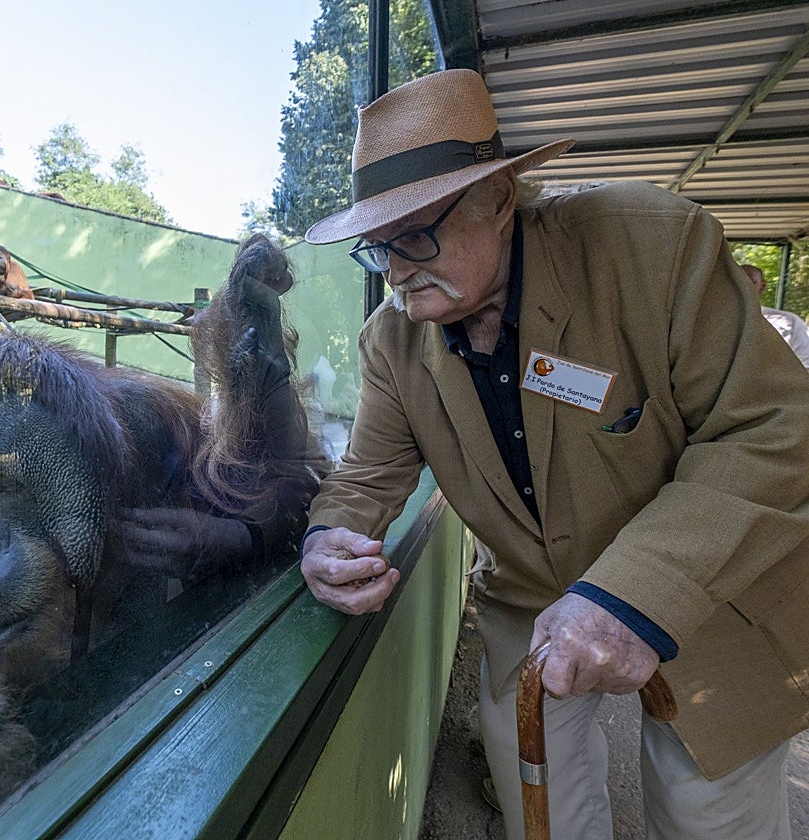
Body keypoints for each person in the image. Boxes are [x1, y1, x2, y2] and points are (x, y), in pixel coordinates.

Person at [299, 69, 809, 840]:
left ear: (500, 199)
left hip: (706, 595)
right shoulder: (391, 343)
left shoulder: (652, 248)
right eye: (378, 250)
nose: (398, 272)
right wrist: (325, 537)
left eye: (416, 235)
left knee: (709, 812)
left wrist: (636, 594)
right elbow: (369, 475)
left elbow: (773, 427)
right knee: (539, 803)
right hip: (529, 602)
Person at [740, 263, 809, 368]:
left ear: (762, 286)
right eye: (737, 282)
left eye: (751, 282)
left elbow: (805, 367)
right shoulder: (712, 322)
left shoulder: (790, 323)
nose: (743, 287)